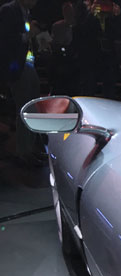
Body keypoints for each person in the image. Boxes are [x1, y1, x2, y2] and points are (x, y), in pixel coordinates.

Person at [0, 0, 43, 165]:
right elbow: (5, 38)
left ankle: (30, 148)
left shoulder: (25, 12)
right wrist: (27, 35)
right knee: (25, 106)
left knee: (32, 104)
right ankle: (24, 151)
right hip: (17, 66)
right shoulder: (8, 10)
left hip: (26, 63)